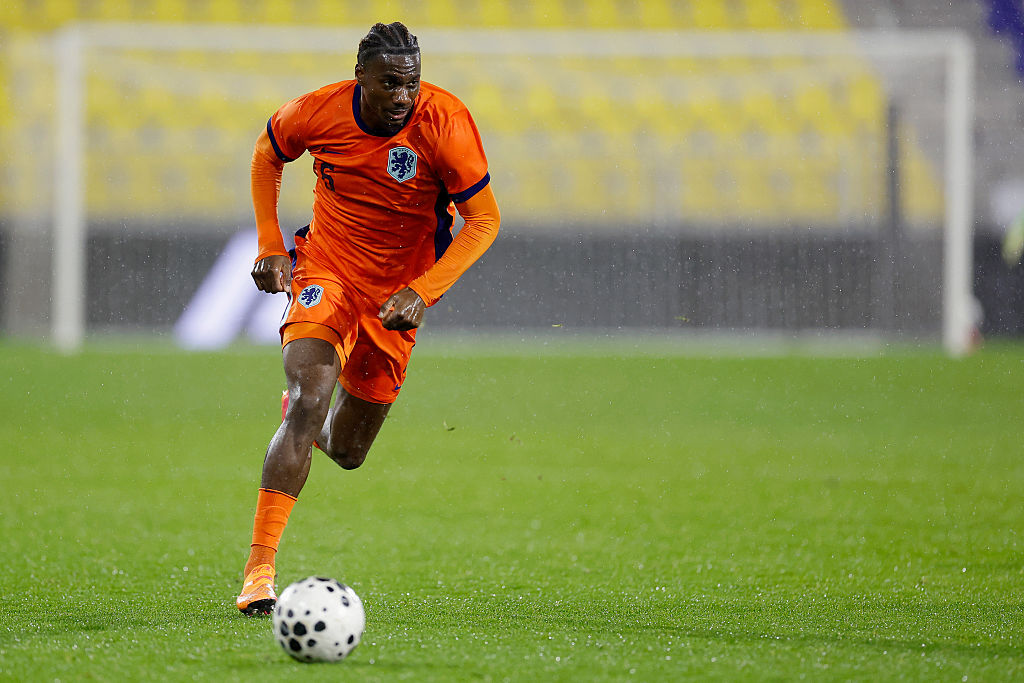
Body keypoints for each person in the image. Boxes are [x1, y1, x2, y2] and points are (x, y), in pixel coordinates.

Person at [236, 21, 500, 615]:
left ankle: (308, 418)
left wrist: (423, 290)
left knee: (349, 451)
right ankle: (259, 572)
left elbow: (484, 220)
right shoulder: (316, 111)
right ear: (361, 79)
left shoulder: (446, 124)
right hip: (327, 270)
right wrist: (269, 243)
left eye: (411, 84)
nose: (402, 97)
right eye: (389, 85)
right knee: (309, 396)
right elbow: (267, 154)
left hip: (395, 298)